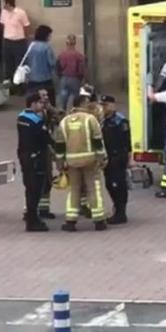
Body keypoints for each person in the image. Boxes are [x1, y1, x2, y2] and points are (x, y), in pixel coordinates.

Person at [58, 94, 108, 232]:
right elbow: (98, 140)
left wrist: (60, 162)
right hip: (90, 161)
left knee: (74, 190)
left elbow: (60, 144)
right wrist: (102, 157)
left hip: (72, 162)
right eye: (87, 102)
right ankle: (99, 220)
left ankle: (70, 221)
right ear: (83, 103)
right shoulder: (90, 119)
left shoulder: (65, 121)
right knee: (93, 189)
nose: (89, 104)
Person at [17, 93, 55, 232]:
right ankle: (33, 220)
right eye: (39, 103)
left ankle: (31, 216)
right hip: (36, 158)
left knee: (29, 188)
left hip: (25, 156)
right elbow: (47, 139)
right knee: (36, 189)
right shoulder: (36, 121)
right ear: (32, 104)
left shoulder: (21, 117)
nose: (42, 105)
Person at [100, 95, 131, 224]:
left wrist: (129, 158)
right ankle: (117, 208)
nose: (103, 108)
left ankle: (121, 212)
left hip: (118, 156)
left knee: (118, 184)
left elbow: (127, 141)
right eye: (102, 105)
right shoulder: (102, 120)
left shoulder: (120, 121)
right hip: (108, 157)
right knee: (109, 184)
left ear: (113, 106)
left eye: (106, 105)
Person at [37, 88, 62, 219]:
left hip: (48, 149)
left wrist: (51, 108)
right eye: (43, 96)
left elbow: (61, 118)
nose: (46, 97)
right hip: (43, 150)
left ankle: (44, 208)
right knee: (42, 179)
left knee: (47, 179)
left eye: (47, 95)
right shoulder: (37, 114)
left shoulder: (47, 111)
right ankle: (39, 210)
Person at [0, 0, 30, 86]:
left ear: (8, 3)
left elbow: (26, 26)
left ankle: (20, 86)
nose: (3, 4)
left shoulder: (20, 12)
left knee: (19, 64)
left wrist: (24, 38)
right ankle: (10, 85)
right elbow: (3, 24)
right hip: (7, 40)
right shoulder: (4, 12)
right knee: (8, 64)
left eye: (4, 2)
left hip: (19, 41)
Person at [24, 25, 57, 101]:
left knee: (33, 99)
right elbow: (52, 63)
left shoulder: (31, 45)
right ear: (46, 35)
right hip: (45, 79)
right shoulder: (47, 47)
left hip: (32, 78)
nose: (50, 37)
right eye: (49, 35)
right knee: (49, 100)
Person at [57, 34, 86, 110]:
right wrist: (81, 78)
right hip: (75, 78)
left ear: (66, 43)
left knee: (63, 95)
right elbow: (81, 69)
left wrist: (60, 76)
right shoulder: (79, 55)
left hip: (64, 78)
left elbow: (57, 67)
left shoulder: (61, 55)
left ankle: (62, 111)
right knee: (76, 98)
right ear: (75, 43)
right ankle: (75, 112)